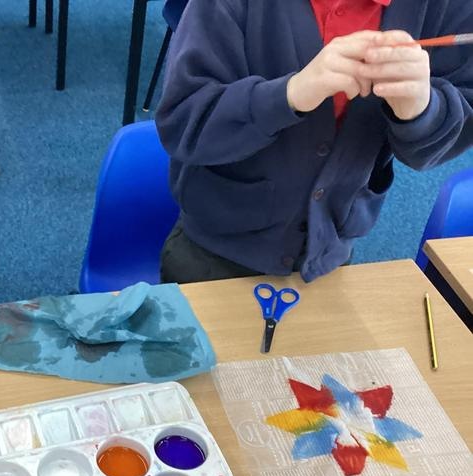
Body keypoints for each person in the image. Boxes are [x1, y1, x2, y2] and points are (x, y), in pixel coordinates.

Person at [155, 0, 473, 284]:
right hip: (214, 251)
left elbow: (455, 127)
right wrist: (289, 94)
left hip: (326, 255)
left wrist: (422, 110)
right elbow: (183, 122)